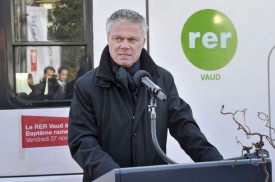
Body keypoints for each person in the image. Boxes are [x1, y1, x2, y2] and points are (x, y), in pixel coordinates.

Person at [68, 9, 223, 182]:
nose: (124, 45)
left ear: (143, 42)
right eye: (118, 38)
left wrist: (218, 165)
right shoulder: (86, 86)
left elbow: (184, 126)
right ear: (108, 40)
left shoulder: (162, 79)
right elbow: (82, 140)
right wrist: (116, 177)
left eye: (132, 39)